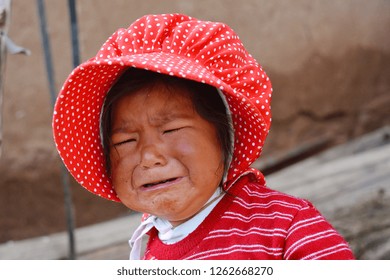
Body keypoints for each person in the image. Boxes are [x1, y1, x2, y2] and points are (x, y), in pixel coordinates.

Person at [52, 13, 354, 260]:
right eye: (124, 142)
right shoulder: (148, 246)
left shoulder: (285, 227)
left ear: (225, 138)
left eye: (170, 130)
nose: (148, 156)